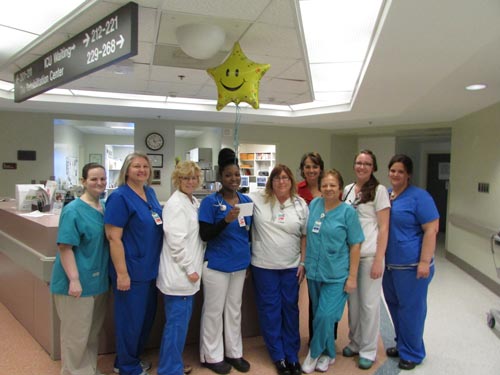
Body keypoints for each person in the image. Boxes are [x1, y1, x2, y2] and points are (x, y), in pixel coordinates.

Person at [105, 152, 163, 375]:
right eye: (136, 166)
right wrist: (122, 273)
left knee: (145, 320)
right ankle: (127, 367)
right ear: (127, 170)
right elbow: (113, 237)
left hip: (150, 269)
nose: (142, 170)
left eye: (145, 166)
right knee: (130, 322)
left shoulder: (150, 192)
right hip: (130, 270)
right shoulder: (119, 197)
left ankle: (131, 359)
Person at [302, 169, 364, 374]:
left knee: (325, 316)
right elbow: (308, 236)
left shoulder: (348, 212)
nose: (328, 189)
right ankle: (328, 353)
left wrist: (352, 277)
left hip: (337, 273)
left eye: (333, 185)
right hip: (314, 271)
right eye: (325, 185)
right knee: (319, 315)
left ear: (340, 188)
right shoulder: (314, 205)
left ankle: (314, 352)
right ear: (320, 187)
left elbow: (355, 245)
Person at [51, 163, 109, 375]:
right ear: (83, 182)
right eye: (93, 179)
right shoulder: (73, 210)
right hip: (76, 282)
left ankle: (88, 370)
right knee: (76, 336)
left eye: (102, 179)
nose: (99, 183)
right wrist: (74, 280)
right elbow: (65, 247)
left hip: (98, 281)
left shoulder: (103, 207)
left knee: (91, 334)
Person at [249, 164, 308, 375]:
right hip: (264, 266)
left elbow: (304, 235)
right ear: (271, 181)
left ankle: (292, 355)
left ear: (291, 181)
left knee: (290, 310)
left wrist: (303, 262)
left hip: (291, 266)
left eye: (285, 178)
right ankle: (279, 356)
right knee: (270, 310)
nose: (281, 181)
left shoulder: (300, 204)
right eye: (277, 178)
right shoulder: (258, 200)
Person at [198, 148, 253, 375]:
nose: (234, 179)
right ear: (221, 177)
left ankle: (234, 353)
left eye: (237, 175)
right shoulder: (210, 203)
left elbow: (248, 233)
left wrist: (248, 261)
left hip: (239, 265)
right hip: (217, 265)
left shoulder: (247, 201)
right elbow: (205, 234)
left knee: (234, 310)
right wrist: (226, 220)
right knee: (213, 310)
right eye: (229, 175)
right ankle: (212, 355)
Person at [383, 154, 439, 371]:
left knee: (412, 310)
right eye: (392, 170)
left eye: (400, 171)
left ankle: (413, 352)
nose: (395, 174)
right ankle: (402, 344)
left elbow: (431, 229)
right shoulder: (388, 195)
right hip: (390, 266)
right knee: (395, 307)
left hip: (412, 266)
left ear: (408, 175)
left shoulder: (420, 197)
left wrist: (425, 261)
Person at [342, 150, 390, 370]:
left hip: (370, 256)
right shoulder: (348, 190)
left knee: (370, 305)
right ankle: (355, 341)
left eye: (367, 163)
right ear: (354, 165)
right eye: (359, 162)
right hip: (350, 256)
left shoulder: (379, 191)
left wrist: (380, 258)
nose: (362, 167)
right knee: (353, 304)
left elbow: (384, 226)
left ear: (373, 167)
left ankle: (369, 350)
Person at [157, 161, 205, 375]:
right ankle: (169, 370)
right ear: (178, 180)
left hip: (187, 274)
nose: (190, 182)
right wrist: (190, 269)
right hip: (181, 275)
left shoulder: (192, 201)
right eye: (186, 178)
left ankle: (173, 363)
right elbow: (176, 242)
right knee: (176, 327)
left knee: (179, 326)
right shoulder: (176, 204)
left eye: (194, 178)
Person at [297, 152, 326, 345]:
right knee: (310, 297)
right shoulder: (297, 189)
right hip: (302, 247)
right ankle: (313, 336)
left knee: (326, 294)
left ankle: (326, 337)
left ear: (320, 169)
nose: (311, 170)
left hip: (326, 249)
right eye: (307, 166)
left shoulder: (329, 189)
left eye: (314, 166)